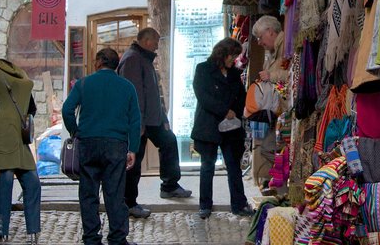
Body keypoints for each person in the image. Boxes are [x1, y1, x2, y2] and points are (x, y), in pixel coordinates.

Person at [63, 48, 141, 245]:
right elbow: (135, 120)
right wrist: (133, 148)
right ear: (116, 64)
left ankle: (91, 238)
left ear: (98, 62)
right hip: (116, 144)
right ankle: (117, 237)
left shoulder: (83, 83)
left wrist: (75, 131)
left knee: (88, 193)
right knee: (114, 193)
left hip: (88, 143)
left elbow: (67, 110)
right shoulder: (127, 87)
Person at [118, 28, 191, 220]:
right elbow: (134, 94)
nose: (158, 45)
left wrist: (163, 118)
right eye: (156, 41)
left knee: (168, 142)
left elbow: (153, 93)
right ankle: (129, 203)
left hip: (152, 118)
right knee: (134, 161)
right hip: (140, 121)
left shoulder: (144, 58)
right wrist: (138, 124)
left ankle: (169, 185)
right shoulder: (133, 59)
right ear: (147, 41)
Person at [191, 37, 252, 219]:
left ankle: (239, 204)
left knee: (234, 166)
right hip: (209, 125)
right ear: (223, 54)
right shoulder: (203, 69)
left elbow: (242, 95)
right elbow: (203, 96)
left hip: (232, 128)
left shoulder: (234, 73)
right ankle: (205, 205)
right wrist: (224, 111)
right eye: (232, 55)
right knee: (207, 166)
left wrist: (236, 111)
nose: (234, 59)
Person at [0, 58, 41, 244]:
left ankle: (32, 231)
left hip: (17, 133)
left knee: (31, 181)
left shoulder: (21, 76)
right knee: (7, 179)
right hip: (5, 131)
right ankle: (2, 232)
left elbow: (31, 107)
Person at [249, 16, 290, 191]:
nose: (259, 42)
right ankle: (278, 184)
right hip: (276, 113)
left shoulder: (286, 46)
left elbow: (294, 73)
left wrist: (271, 77)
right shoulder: (273, 51)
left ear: (270, 32)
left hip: (286, 111)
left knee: (274, 149)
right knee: (270, 148)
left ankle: (281, 187)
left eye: (260, 37)